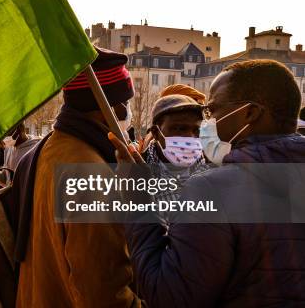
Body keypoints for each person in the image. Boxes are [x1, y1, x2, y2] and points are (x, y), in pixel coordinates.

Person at [112, 59, 305, 307]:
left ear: (249, 113)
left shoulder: (211, 189)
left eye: (212, 110)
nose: (208, 122)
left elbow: (168, 295)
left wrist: (136, 197)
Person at [15, 47, 141, 308]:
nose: (126, 114)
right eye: (125, 104)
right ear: (112, 108)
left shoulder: (49, 148)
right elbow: (105, 294)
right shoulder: (92, 175)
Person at [143, 94, 211, 205]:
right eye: (179, 129)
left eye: (197, 130)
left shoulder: (212, 170)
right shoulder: (138, 172)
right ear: (155, 132)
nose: (190, 137)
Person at [0, 123, 39, 187]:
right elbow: (5, 180)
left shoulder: (36, 147)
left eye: (5, 134)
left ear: (19, 129)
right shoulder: (8, 148)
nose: (2, 141)